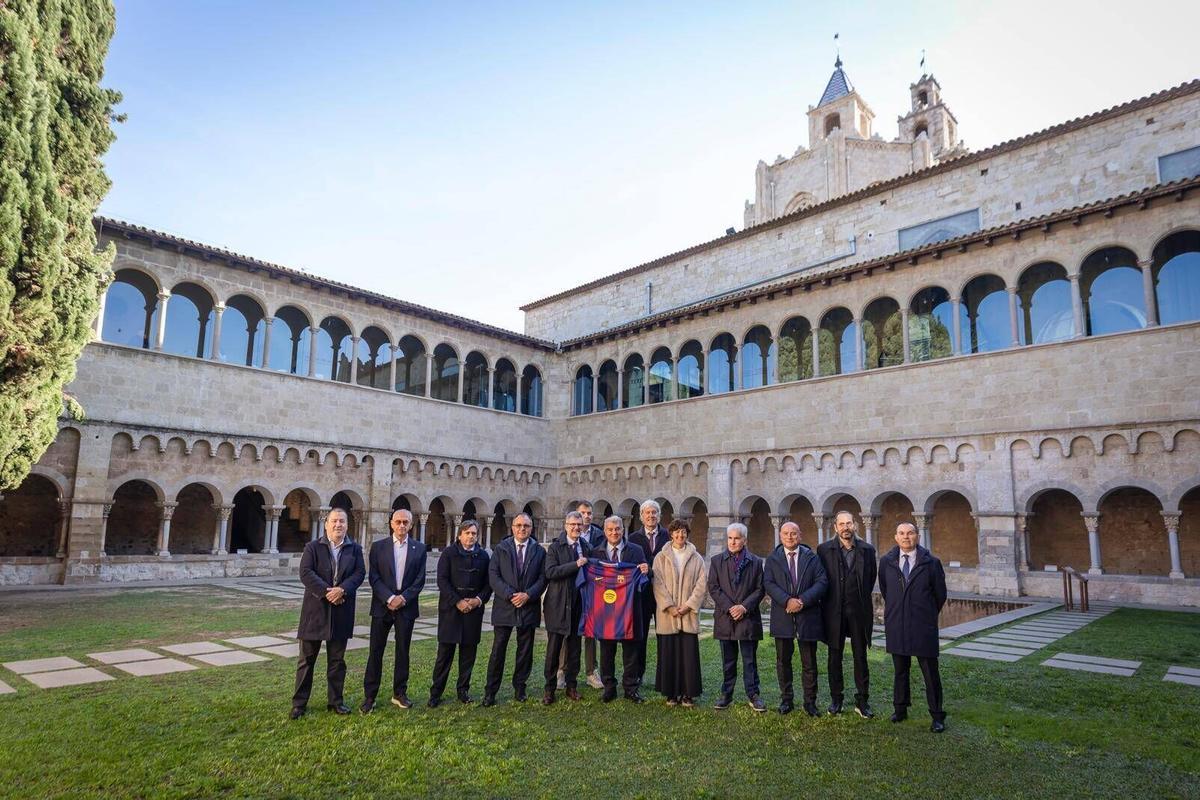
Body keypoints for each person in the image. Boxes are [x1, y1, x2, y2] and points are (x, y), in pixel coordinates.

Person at [292, 507, 365, 719]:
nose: (338, 524)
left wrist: (342, 590)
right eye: (334, 521)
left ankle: (336, 702)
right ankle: (299, 704)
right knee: (306, 661)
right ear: (326, 524)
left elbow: (359, 573)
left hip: (341, 611)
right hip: (315, 612)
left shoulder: (355, 549)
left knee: (337, 662)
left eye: (342, 521)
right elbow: (306, 573)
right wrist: (328, 593)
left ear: (347, 525)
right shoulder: (313, 547)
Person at [879, 522, 949, 733]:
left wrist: (926, 614)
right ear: (896, 537)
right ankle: (900, 710)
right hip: (897, 625)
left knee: (930, 673)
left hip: (922, 626)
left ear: (917, 536)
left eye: (910, 533)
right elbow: (886, 590)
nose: (906, 537)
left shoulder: (931, 563)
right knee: (900, 670)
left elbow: (940, 594)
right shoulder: (886, 562)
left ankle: (937, 716)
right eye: (901, 533)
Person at [363, 508, 427, 712]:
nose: (401, 525)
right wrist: (390, 598)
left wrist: (403, 598)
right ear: (391, 523)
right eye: (398, 521)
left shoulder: (419, 548)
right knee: (375, 651)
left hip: (406, 607)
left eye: (405, 522)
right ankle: (370, 696)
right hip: (382, 606)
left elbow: (419, 580)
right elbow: (374, 577)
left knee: (402, 651)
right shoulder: (378, 547)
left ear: (411, 525)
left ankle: (399, 693)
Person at [763, 521, 828, 716]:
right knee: (783, 661)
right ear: (780, 536)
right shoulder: (773, 559)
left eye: (793, 533)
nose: (789, 537)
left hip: (807, 616)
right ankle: (786, 700)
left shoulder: (812, 558)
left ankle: (810, 702)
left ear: (800, 536)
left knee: (809, 662)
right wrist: (787, 601)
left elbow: (822, 582)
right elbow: (768, 583)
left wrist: (802, 601)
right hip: (783, 616)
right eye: (786, 533)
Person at [817, 510, 877, 718]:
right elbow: (821, 579)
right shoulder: (824, 550)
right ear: (835, 527)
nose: (845, 527)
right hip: (833, 612)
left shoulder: (867, 550)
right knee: (834, 657)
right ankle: (836, 700)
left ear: (855, 525)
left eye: (849, 523)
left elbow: (870, 579)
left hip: (859, 612)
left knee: (861, 656)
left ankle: (862, 700)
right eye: (841, 524)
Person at [482, 513, 546, 706]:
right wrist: (511, 595)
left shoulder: (538, 551)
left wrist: (528, 595)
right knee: (498, 650)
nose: (522, 529)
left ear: (531, 528)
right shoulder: (501, 548)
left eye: (526, 526)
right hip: (505, 606)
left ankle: (520, 688)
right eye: (518, 525)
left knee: (525, 651)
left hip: (528, 605)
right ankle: (490, 691)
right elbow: (493, 576)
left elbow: (543, 577)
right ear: (512, 527)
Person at [428, 519, 491, 707]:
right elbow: (442, 580)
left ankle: (463, 691)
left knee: (468, 655)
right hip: (451, 611)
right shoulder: (448, 554)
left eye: (474, 533)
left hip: (473, 611)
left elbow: (488, 584)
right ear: (460, 534)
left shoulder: (483, 556)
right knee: (444, 655)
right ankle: (436, 693)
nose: (471, 536)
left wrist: (478, 600)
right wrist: (457, 601)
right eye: (467, 533)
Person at [708, 523, 766, 712]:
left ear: (744, 540)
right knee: (728, 660)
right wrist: (730, 607)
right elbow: (713, 587)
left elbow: (760, 589)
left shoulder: (755, 562)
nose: (733, 542)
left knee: (749, 660)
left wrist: (743, 607)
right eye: (730, 538)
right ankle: (726, 694)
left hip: (748, 617)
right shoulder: (717, 561)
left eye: (737, 538)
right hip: (725, 617)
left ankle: (753, 694)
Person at [594, 515, 650, 703]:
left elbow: (645, 577)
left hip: (629, 609)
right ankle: (609, 688)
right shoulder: (596, 552)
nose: (614, 532)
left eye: (617, 529)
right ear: (605, 531)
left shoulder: (636, 550)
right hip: (606, 612)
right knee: (606, 652)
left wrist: (646, 570)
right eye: (610, 529)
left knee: (631, 651)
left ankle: (630, 688)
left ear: (623, 530)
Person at [652, 519, 707, 707]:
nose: (680, 535)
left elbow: (701, 584)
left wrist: (688, 605)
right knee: (669, 654)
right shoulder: (660, 558)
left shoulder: (696, 558)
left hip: (687, 614)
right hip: (668, 615)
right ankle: (671, 694)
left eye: (683, 532)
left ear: (687, 534)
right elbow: (657, 583)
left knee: (688, 656)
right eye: (676, 532)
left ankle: (688, 694)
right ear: (671, 534)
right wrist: (669, 606)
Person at [542, 511, 593, 704]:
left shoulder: (586, 546)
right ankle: (549, 689)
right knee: (554, 649)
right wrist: (575, 565)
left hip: (578, 604)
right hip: (558, 604)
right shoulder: (555, 547)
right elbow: (550, 572)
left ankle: (572, 686)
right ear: (566, 526)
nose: (576, 528)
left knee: (574, 649)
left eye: (579, 525)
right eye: (572, 524)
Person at [628, 499, 670, 689]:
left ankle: (664, 676)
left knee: (664, 635)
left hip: (663, 593)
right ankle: (638, 674)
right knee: (640, 636)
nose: (651, 516)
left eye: (654, 512)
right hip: (641, 594)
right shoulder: (633, 538)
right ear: (641, 516)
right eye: (647, 513)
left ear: (659, 516)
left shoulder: (668, 536)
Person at [577, 502, 606, 689]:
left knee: (590, 631)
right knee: (569, 630)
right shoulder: (569, 533)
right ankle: (563, 669)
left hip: (593, 587)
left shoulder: (599, 535)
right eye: (582, 513)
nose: (586, 516)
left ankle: (591, 672)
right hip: (572, 587)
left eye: (589, 513)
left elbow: (603, 558)